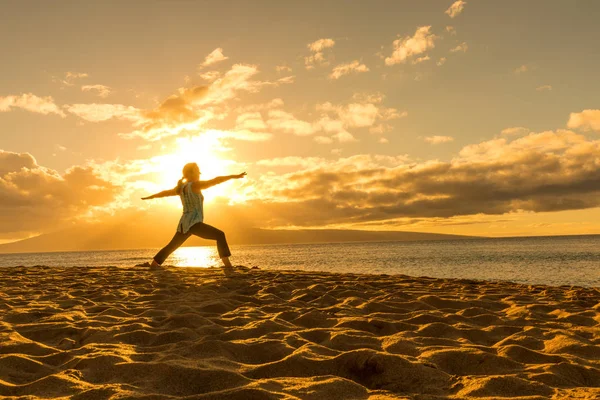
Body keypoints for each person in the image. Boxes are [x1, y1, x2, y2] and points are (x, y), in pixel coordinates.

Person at [142, 162, 246, 267]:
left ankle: (154, 265)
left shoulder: (181, 188)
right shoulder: (195, 185)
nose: (199, 174)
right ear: (191, 173)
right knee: (220, 235)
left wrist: (151, 197)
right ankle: (228, 265)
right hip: (194, 223)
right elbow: (216, 180)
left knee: (172, 246)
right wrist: (234, 176)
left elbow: (165, 193)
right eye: (197, 171)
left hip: (183, 224)